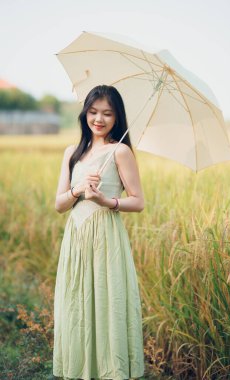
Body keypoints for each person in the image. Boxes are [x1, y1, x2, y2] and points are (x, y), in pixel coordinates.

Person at [53, 85, 145, 380]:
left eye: (107, 113)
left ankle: (110, 371)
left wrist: (105, 199)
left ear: (117, 117)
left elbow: (138, 201)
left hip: (106, 237)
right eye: (93, 112)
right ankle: (81, 369)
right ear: (85, 114)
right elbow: (58, 204)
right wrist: (78, 190)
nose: (99, 119)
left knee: (107, 302)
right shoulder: (72, 152)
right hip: (77, 238)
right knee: (76, 303)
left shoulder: (120, 151)